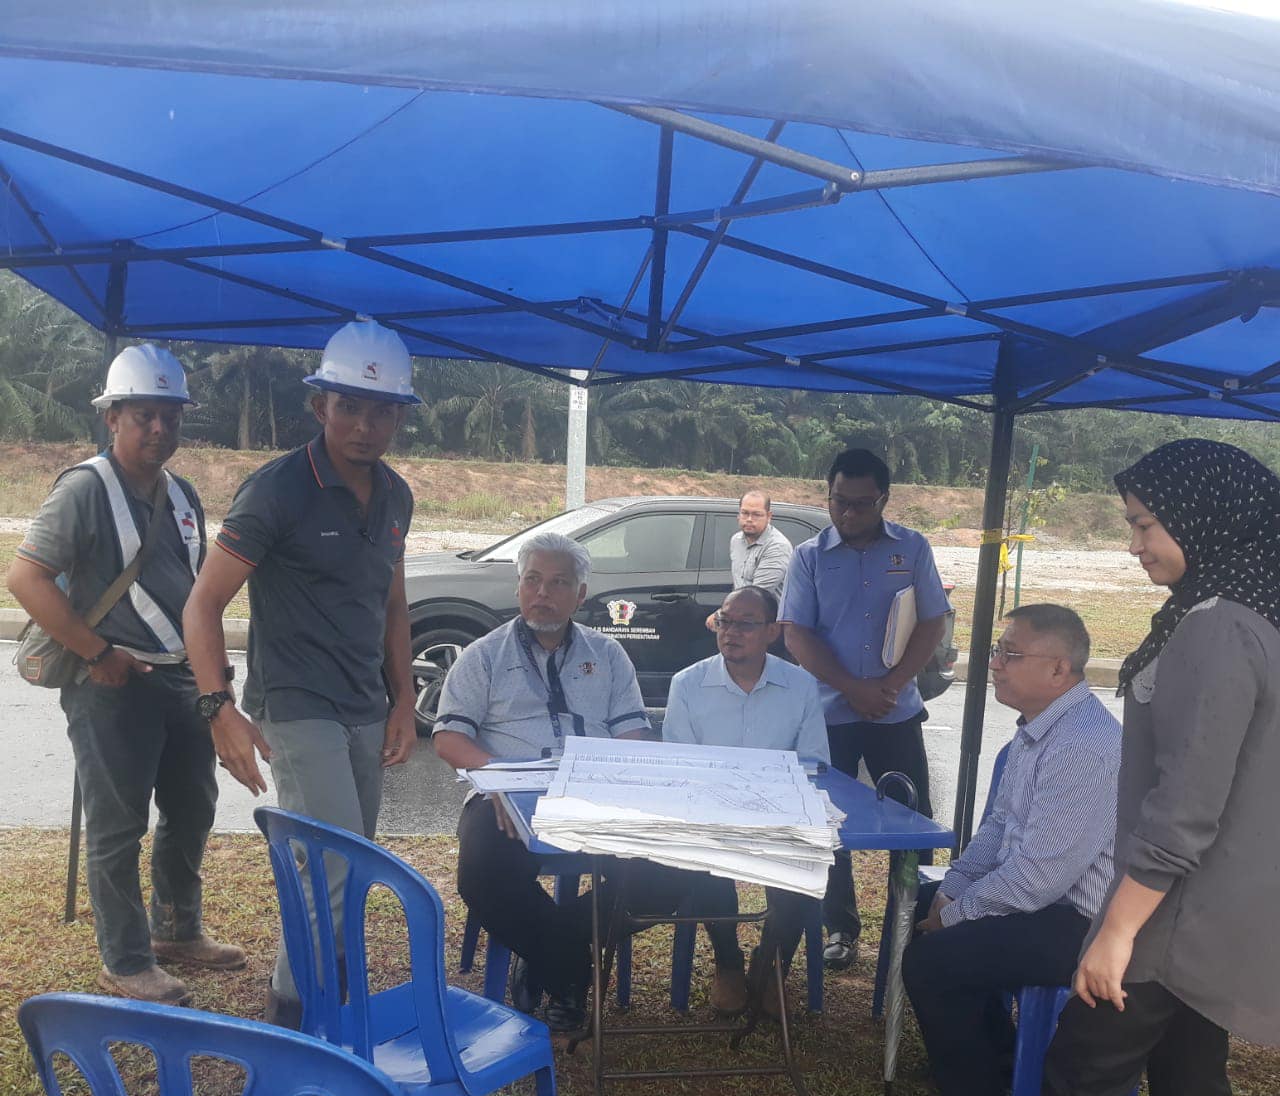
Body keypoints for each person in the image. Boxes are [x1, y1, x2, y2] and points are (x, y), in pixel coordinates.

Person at [996, 440, 1280, 1096]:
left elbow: (1185, 806)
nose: (1135, 543)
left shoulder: (1217, 628)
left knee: (1083, 1079)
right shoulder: (1250, 614)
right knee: (1194, 1087)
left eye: (1145, 524)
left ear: (1203, 519)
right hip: (1215, 912)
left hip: (1170, 916)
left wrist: (1116, 932)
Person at [183, 319, 418, 1027]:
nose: (365, 425)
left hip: (364, 707)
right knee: (337, 872)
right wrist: (218, 708)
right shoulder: (278, 489)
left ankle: (309, 1021)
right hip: (295, 703)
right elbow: (201, 605)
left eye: (382, 410)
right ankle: (307, 1033)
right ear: (320, 407)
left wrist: (404, 699)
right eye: (349, 406)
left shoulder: (398, 497)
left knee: (340, 874)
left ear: (399, 417)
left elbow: (393, 605)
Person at [433, 532, 746, 1031]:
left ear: (580, 595)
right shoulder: (483, 655)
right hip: (508, 794)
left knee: (674, 866)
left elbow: (633, 735)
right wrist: (494, 778)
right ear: (519, 587)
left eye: (558, 583)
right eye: (532, 580)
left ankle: (554, 956)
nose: (543, 593)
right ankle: (572, 970)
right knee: (482, 872)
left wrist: (630, 784)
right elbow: (448, 737)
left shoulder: (609, 655)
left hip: (599, 793)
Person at [8, 344, 243, 1005]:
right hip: (111, 686)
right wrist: (95, 653)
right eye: (144, 415)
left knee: (193, 809)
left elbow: (200, 593)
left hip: (180, 680)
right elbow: (25, 577)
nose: (159, 430)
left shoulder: (184, 494)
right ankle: (126, 959)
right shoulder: (84, 489)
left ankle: (178, 929)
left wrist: (215, 676)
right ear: (111, 417)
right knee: (118, 828)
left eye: (170, 416)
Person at [897, 604, 1120, 1096]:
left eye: (1009, 654)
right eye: (997, 651)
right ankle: (991, 1064)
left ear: (1059, 670)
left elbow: (1042, 877)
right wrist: (954, 889)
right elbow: (998, 829)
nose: (993, 664)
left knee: (934, 960)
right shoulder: (1035, 733)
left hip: (1083, 924)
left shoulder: (1084, 745)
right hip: (1043, 901)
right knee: (927, 902)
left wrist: (957, 914)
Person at [780, 448, 949, 969]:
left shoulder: (913, 548)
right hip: (829, 713)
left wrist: (893, 685)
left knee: (913, 822)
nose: (847, 514)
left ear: (883, 500)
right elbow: (796, 634)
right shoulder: (808, 557)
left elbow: (931, 622)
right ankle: (841, 930)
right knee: (827, 825)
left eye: (860, 504)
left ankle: (911, 928)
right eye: (838, 502)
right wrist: (851, 687)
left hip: (895, 712)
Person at [666, 585, 830, 1012]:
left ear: (772, 631)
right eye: (724, 621)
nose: (730, 632)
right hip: (710, 814)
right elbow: (679, 766)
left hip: (779, 813)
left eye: (745, 624)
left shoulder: (800, 686)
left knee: (810, 853)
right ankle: (728, 963)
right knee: (704, 854)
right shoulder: (687, 683)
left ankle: (773, 962)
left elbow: (813, 764)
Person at [704, 490, 793, 630]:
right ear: (738, 515)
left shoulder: (777, 546)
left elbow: (756, 595)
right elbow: (739, 585)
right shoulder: (736, 541)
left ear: (769, 516)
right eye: (745, 513)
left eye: (757, 514)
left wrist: (720, 616)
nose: (749, 519)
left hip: (767, 627)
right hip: (741, 621)